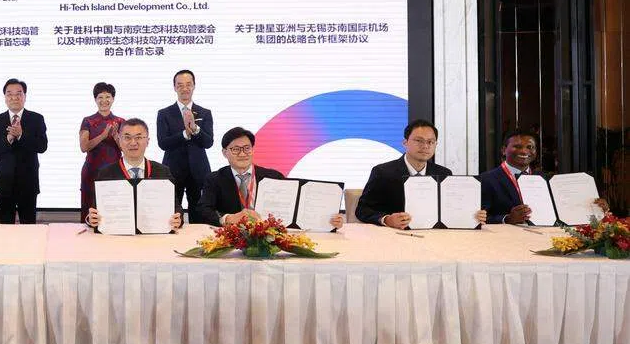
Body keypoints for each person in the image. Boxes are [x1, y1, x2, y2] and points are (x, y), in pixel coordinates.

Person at [197, 126, 346, 228]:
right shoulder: (214, 179)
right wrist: (228, 218)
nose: (242, 153)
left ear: (253, 149)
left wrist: (328, 221)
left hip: (269, 236)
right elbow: (203, 210)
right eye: (235, 149)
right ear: (225, 153)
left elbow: (297, 210)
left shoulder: (274, 176)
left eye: (247, 148)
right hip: (232, 238)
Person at [355, 119, 487, 228]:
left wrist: (471, 215)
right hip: (396, 237)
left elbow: (450, 208)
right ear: (405, 142)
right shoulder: (383, 172)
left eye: (430, 142)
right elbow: (362, 210)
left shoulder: (444, 173)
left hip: (437, 237)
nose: (425, 146)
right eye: (419, 141)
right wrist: (387, 219)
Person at [481, 129, 610, 224]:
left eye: (530, 147)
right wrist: (507, 219)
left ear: (536, 152)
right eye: (517, 146)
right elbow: (477, 218)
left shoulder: (547, 180)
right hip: (506, 244)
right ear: (504, 150)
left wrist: (595, 208)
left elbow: (563, 210)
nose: (524, 151)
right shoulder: (486, 180)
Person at [86, 118, 182, 231]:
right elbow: (94, 211)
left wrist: (178, 219)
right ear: (119, 141)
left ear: (147, 141)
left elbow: (176, 208)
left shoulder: (162, 171)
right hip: (116, 237)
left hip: (154, 236)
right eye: (127, 137)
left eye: (138, 137)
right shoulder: (105, 173)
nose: (133, 142)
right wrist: (91, 219)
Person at [0, 78, 48, 224]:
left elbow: (42, 146)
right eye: (10, 94)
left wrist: (21, 135)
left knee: (29, 224)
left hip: (28, 181)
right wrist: (8, 139)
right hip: (4, 181)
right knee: (5, 224)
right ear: (5, 97)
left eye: (19, 93)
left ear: (25, 96)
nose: (14, 97)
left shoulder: (36, 118)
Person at [156, 70, 213, 222]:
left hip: (198, 170)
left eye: (188, 84)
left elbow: (208, 142)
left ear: (194, 86)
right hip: (173, 170)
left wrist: (195, 129)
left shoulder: (205, 113)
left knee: (199, 215)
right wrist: (184, 134)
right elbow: (162, 143)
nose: (184, 88)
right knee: (171, 214)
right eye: (180, 85)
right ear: (174, 87)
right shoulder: (164, 113)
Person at [78, 82, 125, 222]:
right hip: (92, 171)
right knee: (89, 210)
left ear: (113, 99)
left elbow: (126, 149)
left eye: (108, 97)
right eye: (100, 97)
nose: (104, 100)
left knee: (114, 211)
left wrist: (115, 136)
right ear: (95, 99)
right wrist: (103, 136)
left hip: (115, 172)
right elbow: (84, 147)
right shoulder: (87, 121)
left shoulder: (121, 121)